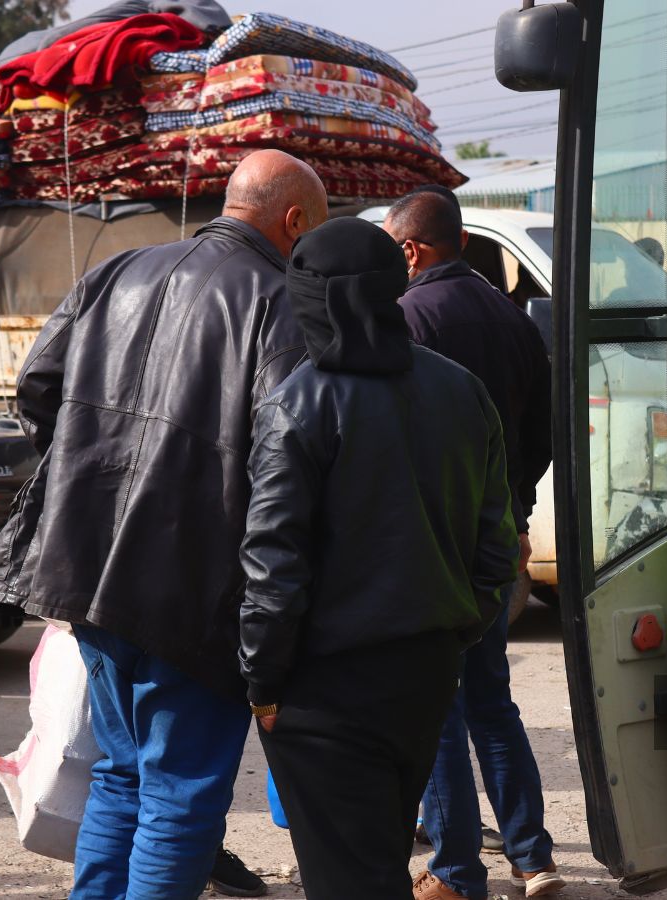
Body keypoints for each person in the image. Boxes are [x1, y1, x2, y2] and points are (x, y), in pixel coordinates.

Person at [0, 149, 328, 900]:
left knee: (121, 772)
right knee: (178, 790)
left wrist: (89, 472)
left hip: (89, 565)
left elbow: (37, 386)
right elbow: (287, 460)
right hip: (193, 586)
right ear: (292, 220)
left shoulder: (119, 270)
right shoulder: (281, 302)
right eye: (311, 233)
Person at [239, 216, 518, 899]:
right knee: (380, 859)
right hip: (424, 674)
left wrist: (263, 682)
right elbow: (497, 543)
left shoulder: (296, 406)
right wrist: (457, 630)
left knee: (351, 877)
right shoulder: (461, 390)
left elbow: (274, 566)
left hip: (323, 687)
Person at [382, 190, 562, 900]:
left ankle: (455, 871)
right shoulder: (512, 319)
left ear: (411, 250)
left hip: (436, 548)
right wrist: (514, 513)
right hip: (497, 543)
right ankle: (533, 856)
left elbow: (402, 442)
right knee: (493, 702)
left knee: (438, 708)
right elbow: (541, 434)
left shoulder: (406, 319)